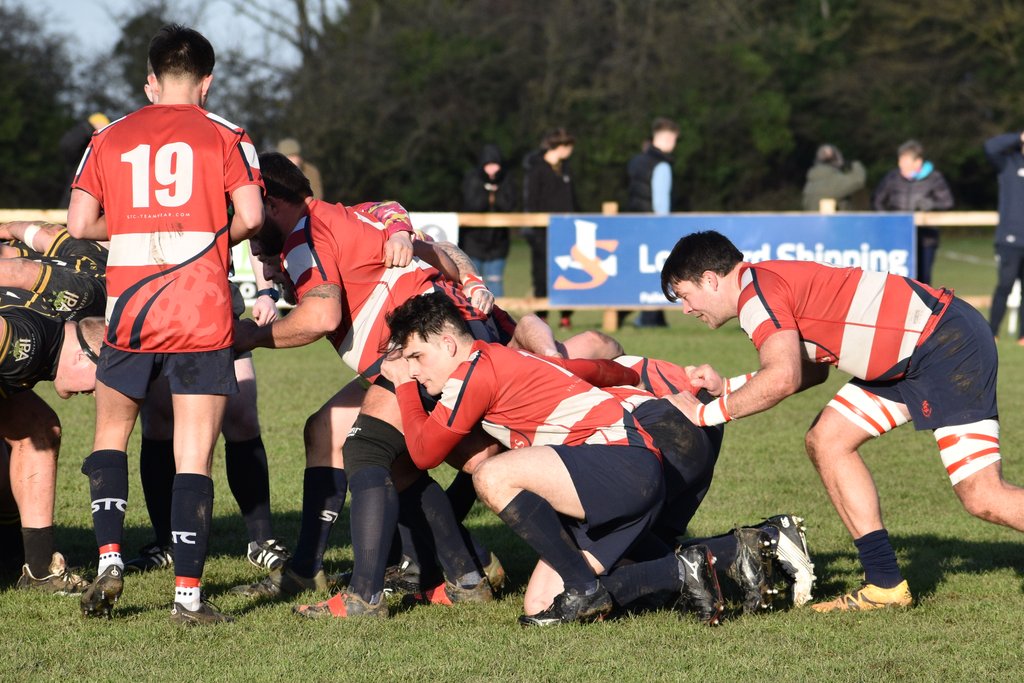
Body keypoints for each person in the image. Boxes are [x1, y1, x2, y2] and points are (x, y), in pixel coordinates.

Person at [660, 230, 1024, 613]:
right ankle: (885, 585)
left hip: (943, 345)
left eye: (684, 295)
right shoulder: (763, 283)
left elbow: (783, 377)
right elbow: (807, 372)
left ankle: (885, 584)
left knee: (983, 496)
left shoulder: (757, 296)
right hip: (910, 354)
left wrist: (704, 414)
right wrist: (726, 388)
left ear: (710, 280)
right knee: (828, 440)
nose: (686, 308)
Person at [231, 151, 509, 619]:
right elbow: (436, 252)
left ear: (272, 203)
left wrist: (251, 337)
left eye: (247, 210)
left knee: (366, 449)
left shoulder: (305, 238)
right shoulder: (345, 217)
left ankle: (367, 596)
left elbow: (321, 317)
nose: (246, 224)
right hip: (433, 343)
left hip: (425, 350)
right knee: (325, 430)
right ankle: (463, 572)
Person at [66, 24, 265, 625]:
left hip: (130, 305)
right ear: (206, 83)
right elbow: (252, 215)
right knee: (193, 455)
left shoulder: (110, 137)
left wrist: (132, 228)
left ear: (150, 82)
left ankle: (107, 560)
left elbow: (79, 224)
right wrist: (199, 240)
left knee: (110, 435)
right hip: (200, 306)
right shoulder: (228, 135)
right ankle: (187, 598)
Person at [0, 306, 103, 594]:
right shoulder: (27, 340)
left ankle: (39, 570)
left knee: (40, 427)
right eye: (101, 379)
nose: (95, 393)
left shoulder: (42, 344)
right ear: (83, 356)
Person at [871, 139, 954, 285]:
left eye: (905, 161)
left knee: (923, 282)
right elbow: (877, 200)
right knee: (898, 281)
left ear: (918, 162)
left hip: (926, 238)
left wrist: (931, 204)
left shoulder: (934, 178)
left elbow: (947, 202)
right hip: (897, 237)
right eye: (900, 160)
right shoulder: (892, 177)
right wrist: (889, 221)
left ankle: (923, 308)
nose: (900, 165)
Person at [626, 117, 680, 328]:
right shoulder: (662, 165)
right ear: (667, 138)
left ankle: (653, 318)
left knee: (643, 271)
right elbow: (660, 203)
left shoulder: (637, 161)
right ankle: (650, 318)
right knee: (660, 270)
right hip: (654, 227)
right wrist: (665, 227)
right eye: (674, 139)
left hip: (636, 223)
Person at [523, 128, 577, 329]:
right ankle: (542, 317)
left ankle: (565, 317)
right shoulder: (537, 169)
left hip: (566, 231)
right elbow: (531, 201)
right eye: (569, 147)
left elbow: (572, 199)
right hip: (542, 232)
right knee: (541, 273)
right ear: (561, 147)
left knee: (566, 272)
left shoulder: (566, 168)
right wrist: (532, 228)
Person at [459, 144, 516, 297]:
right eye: (489, 166)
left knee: (495, 282)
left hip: (498, 243)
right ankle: (472, 318)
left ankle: (498, 319)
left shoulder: (506, 180)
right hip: (473, 242)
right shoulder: (472, 179)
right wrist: (488, 191)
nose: (492, 170)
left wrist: (495, 195)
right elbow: (472, 205)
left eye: (495, 165)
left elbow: (508, 206)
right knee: (472, 282)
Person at [983, 130, 1024, 342]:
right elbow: (990, 146)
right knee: (1004, 286)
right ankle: (993, 331)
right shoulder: (1008, 163)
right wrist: (1019, 137)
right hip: (1009, 239)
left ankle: (1022, 336)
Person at [57, 113, 109, 208]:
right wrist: (89, 128)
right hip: (74, 208)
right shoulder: (80, 154)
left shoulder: (108, 155)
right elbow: (67, 145)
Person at [801, 144, 866, 212]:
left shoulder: (811, 183)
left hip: (814, 220)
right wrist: (855, 164)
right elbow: (858, 179)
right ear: (837, 160)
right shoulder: (834, 182)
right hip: (831, 222)